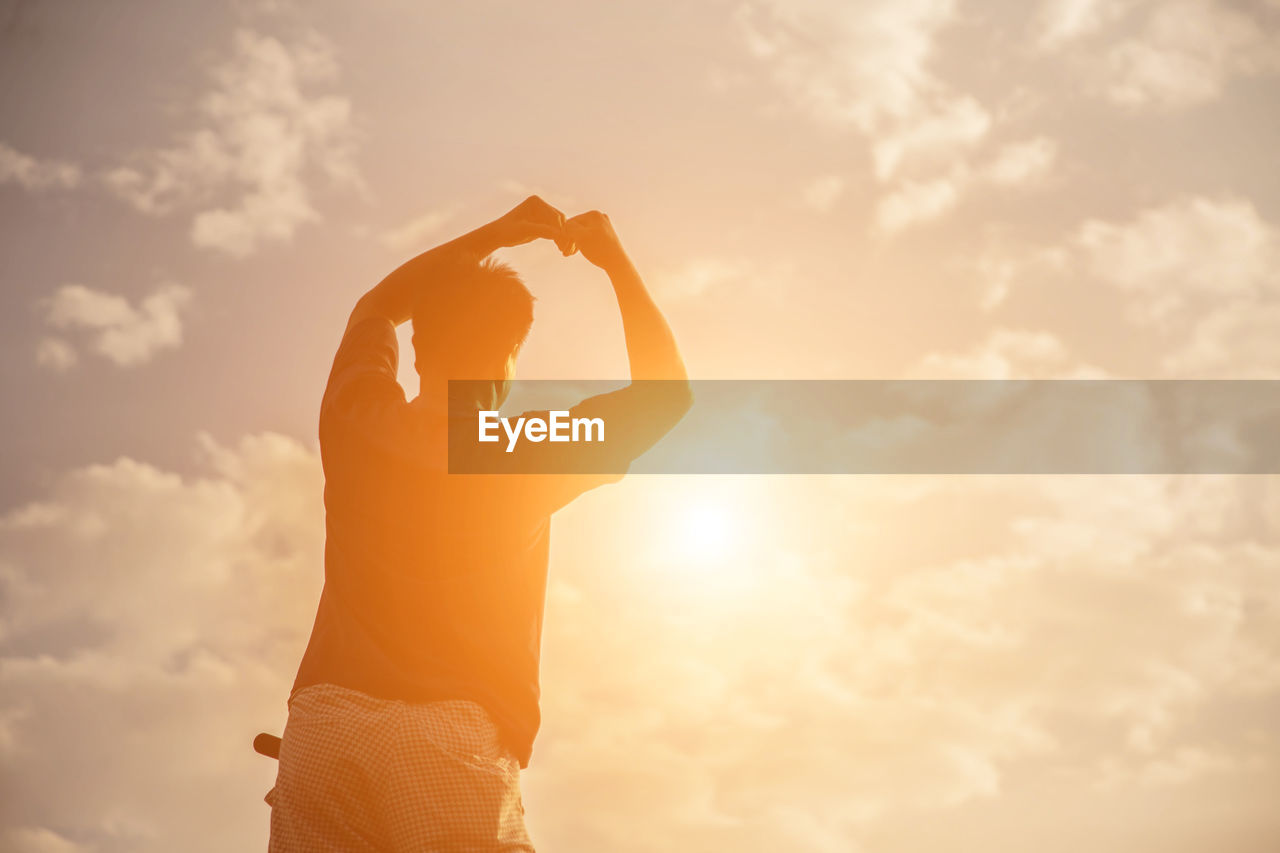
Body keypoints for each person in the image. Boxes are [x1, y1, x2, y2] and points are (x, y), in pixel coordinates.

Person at [267, 196, 692, 851]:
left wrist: (496, 233)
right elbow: (667, 394)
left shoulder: (357, 416)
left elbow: (377, 303)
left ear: (416, 347)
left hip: (324, 729)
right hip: (449, 736)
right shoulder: (524, 445)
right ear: (508, 362)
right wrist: (613, 261)